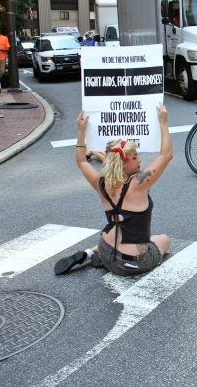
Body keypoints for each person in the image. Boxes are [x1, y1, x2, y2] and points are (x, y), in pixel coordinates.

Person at [54, 104, 173, 276]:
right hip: (131, 263)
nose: (139, 160)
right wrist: (164, 122)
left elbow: (82, 162)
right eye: (134, 157)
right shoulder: (139, 182)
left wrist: (81, 131)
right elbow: (166, 155)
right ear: (123, 163)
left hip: (107, 250)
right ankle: (93, 254)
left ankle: (89, 253)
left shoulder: (101, 183)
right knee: (163, 239)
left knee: (119, 228)